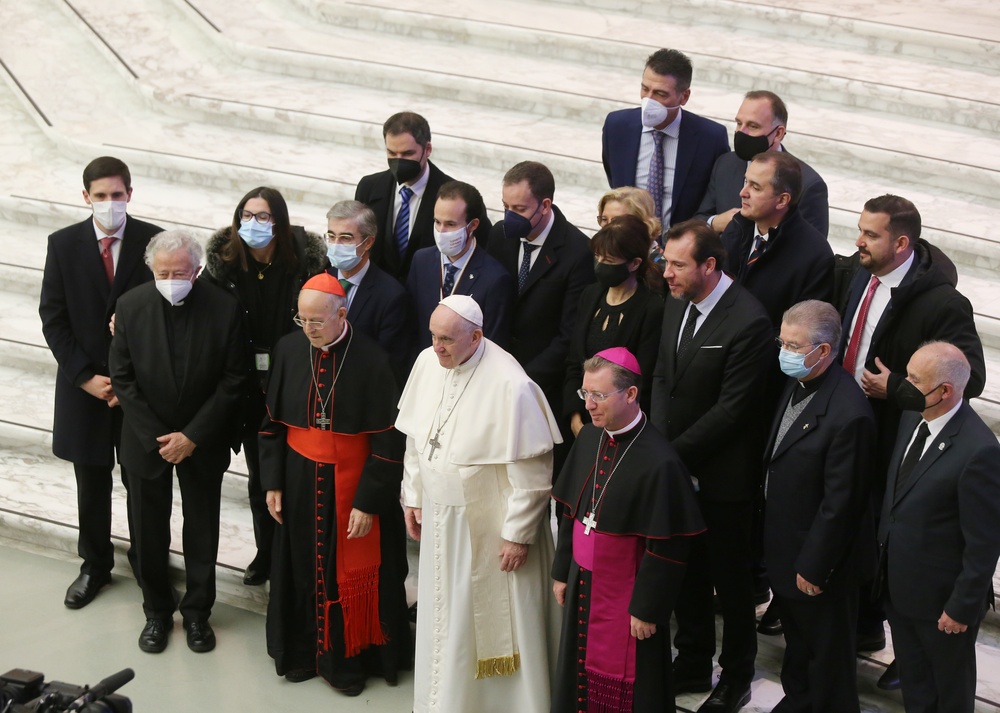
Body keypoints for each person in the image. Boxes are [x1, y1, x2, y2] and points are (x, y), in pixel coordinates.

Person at [834, 195, 985, 683]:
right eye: (860, 230)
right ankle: (865, 626)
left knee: (891, 539)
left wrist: (896, 388)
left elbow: (971, 378)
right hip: (850, 429)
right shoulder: (858, 274)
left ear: (901, 243)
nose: (858, 241)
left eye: (870, 234)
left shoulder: (942, 302)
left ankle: (908, 646)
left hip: (899, 443)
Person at [396, 295, 562, 713]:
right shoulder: (427, 362)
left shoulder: (512, 384)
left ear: (477, 336)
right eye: (433, 337)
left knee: (484, 624)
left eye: (447, 340)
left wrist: (518, 535)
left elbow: (533, 472)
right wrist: (413, 496)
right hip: (441, 519)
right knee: (445, 617)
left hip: (488, 527)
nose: (437, 348)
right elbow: (416, 440)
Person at [258, 273, 410, 694]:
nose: (307, 329)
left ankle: (351, 661)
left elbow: (387, 441)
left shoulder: (373, 360)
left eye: (316, 322)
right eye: (301, 320)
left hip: (356, 483)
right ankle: (304, 653)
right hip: (298, 479)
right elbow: (271, 426)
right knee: (302, 569)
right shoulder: (290, 349)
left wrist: (367, 501)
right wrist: (272, 481)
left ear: (341, 314)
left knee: (354, 574)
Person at [650, 220, 773, 713]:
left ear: (709, 266)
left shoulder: (749, 321)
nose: (667, 273)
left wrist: (670, 454)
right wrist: (659, 442)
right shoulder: (677, 300)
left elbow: (734, 409)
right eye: (665, 262)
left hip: (723, 478)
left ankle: (738, 674)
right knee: (687, 573)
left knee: (731, 580)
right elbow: (662, 373)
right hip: (677, 464)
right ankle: (694, 659)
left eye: (678, 265)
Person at [109, 230, 247, 654]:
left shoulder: (224, 308)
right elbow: (123, 377)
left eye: (181, 272)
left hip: (201, 440)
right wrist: (159, 437)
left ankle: (198, 614)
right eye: (163, 272)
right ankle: (155, 611)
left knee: (201, 528)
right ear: (151, 270)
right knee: (147, 530)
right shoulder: (130, 306)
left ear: (198, 270)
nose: (171, 278)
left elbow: (234, 377)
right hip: (144, 439)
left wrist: (192, 436)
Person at [39, 156, 162, 609]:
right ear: (85, 196)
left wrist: (127, 382)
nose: (110, 203)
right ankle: (94, 564)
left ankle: (148, 562)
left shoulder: (155, 242)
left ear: (130, 193)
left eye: (117, 194)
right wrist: (85, 378)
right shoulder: (64, 244)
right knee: (91, 483)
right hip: (84, 389)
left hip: (139, 390)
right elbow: (53, 317)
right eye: (101, 195)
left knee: (141, 482)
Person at [551, 348, 704, 712]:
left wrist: (647, 608)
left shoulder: (660, 461)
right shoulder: (589, 438)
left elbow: (668, 546)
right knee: (576, 674)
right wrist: (561, 572)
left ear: (631, 394)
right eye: (585, 393)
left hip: (630, 598)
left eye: (599, 395)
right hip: (582, 581)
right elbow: (570, 511)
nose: (589, 404)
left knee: (637, 687)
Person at [202, 186, 328, 587]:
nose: (254, 224)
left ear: (279, 221)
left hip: (297, 382)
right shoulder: (223, 265)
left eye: (264, 216)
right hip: (247, 386)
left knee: (300, 477)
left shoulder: (305, 264)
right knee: (261, 477)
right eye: (247, 215)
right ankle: (267, 553)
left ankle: (299, 556)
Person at [764, 301, 876, 713]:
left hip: (818, 563)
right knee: (800, 645)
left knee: (827, 655)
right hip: (786, 546)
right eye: (782, 342)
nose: (784, 352)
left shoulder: (848, 413)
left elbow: (841, 504)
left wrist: (814, 566)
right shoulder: (801, 382)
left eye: (794, 345)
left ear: (824, 351)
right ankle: (798, 700)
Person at [877, 341, 1000, 713]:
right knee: (915, 684)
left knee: (948, 690)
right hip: (900, 587)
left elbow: (984, 543)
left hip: (943, 603)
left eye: (914, 380)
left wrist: (961, 607)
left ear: (945, 391)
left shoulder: (979, 451)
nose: (904, 385)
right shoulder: (913, 415)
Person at [486, 161, 594, 471]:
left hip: (542, 389)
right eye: (505, 205)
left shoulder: (577, 252)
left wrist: (521, 380)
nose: (509, 216)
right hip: (496, 379)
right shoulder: (500, 236)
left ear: (545, 205)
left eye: (518, 208)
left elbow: (569, 334)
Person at [355, 111, 491, 280]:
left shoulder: (458, 198)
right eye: (392, 153)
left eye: (407, 154)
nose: (398, 161)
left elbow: (482, 253)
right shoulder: (369, 187)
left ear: (427, 149)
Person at [602, 48, 729, 227]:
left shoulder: (710, 138)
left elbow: (715, 197)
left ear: (684, 96)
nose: (649, 100)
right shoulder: (617, 126)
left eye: (660, 94)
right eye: (645, 89)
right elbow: (614, 178)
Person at [564, 215, 664, 438]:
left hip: (619, 427)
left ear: (634, 263)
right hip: (580, 419)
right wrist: (574, 415)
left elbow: (642, 379)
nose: (600, 266)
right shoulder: (590, 295)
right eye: (598, 258)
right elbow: (574, 360)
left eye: (609, 261)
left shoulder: (651, 308)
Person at [719, 151, 833, 330]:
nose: (743, 192)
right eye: (745, 182)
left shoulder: (815, 255)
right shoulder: (737, 228)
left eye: (755, 187)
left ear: (782, 200)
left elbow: (803, 330)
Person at [694, 90, 829, 236]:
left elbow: (811, 251)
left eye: (753, 126)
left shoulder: (808, 184)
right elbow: (700, 219)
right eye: (739, 123)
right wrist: (715, 222)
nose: (741, 132)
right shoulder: (725, 164)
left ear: (778, 133)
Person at [408, 180, 514, 349]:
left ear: (473, 225)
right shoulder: (421, 261)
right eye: (437, 222)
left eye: (450, 224)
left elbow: (493, 344)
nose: (441, 231)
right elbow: (411, 325)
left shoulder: (495, 279)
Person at [325, 199, 414, 380]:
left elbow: (387, 362)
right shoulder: (321, 279)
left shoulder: (391, 296)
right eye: (331, 236)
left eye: (346, 238)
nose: (336, 244)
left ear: (368, 242)